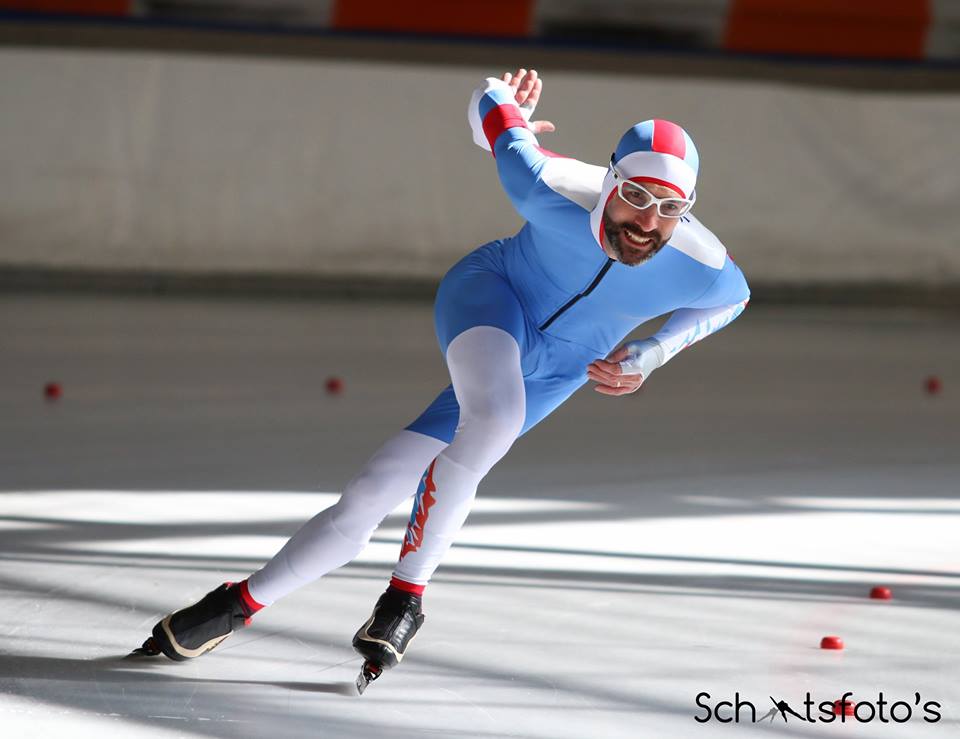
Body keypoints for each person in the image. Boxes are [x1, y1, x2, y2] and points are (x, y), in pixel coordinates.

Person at [137, 68, 749, 688]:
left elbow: (734, 300)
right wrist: (502, 116)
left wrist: (653, 352)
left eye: (671, 208)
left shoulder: (700, 262)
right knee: (497, 419)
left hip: (556, 369)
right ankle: (406, 599)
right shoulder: (550, 186)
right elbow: (489, 92)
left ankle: (233, 605)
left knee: (375, 490)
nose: (648, 222)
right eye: (636, 197)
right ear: (609, 179)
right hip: (493, 299)